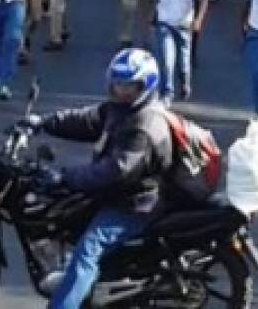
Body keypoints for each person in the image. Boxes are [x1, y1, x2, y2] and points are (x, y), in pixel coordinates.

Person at [23, 49, 178, 309]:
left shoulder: (145, 125)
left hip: (136, 204)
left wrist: (64, 177)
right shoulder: (122, 109)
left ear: (145, 86)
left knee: (88, 250)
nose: (120, 90)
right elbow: (87, 120)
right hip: (120, 193)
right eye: (116, 83)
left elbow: (115, 171)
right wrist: (43, 123)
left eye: (127, 85)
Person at [146, 0, 207, 104]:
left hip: (184, 26)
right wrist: (150, 17)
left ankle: (185, 84)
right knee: (167, 59)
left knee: (184, 62)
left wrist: (198, 20)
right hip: (164, 25)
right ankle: (167, 92)